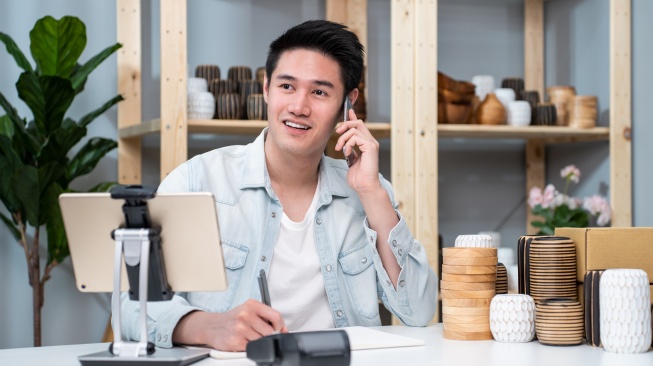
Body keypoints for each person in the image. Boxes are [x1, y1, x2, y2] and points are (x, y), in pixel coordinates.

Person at [120, 19, 437, 352]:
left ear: (348, 103)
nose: (299, 107)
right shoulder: (198, 180)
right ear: (266, 88)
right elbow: (130, 305)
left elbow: (418, 311)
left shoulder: (367, 190)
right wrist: (208, 326)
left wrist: (372, 194)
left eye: (319, 92)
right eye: (287, 86)